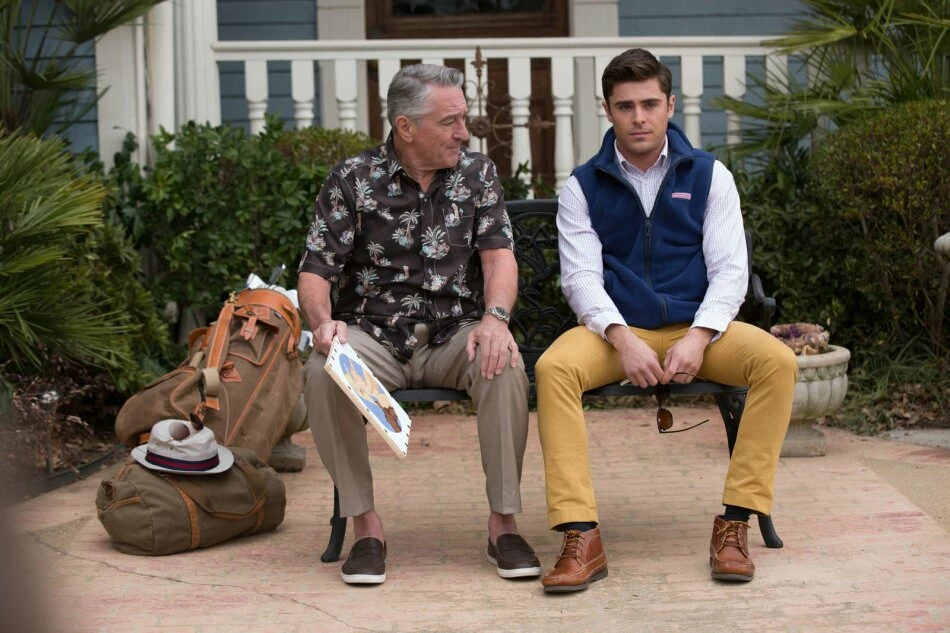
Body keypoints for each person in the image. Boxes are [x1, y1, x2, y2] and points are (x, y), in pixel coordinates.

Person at [534, 48, 797, 593]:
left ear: (670, 105)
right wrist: (620, 338)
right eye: (625, 106)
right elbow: (580, 278)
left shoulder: (709, 176)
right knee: (554, 368)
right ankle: (581, 535)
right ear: (607, 110)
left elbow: (730, 272)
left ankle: (735, 523)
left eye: (650, 104)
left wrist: (699, 336)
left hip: (697, 328)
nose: (639, 117)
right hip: (616, 332)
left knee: (776, 361)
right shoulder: (583, 185)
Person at [297, 63, 541, 586]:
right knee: (323, 371)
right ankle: (365, 527)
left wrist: (496, 320)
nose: (464, 132)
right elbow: (316, 269)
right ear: (406, 127)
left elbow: (499, 256)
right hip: (375, 335)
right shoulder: (352, 179)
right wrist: (323, 323)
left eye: (464, 118)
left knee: (504, 363)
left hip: (457, 333)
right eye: (450, 121)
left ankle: (503, 524)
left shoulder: (478, 174)